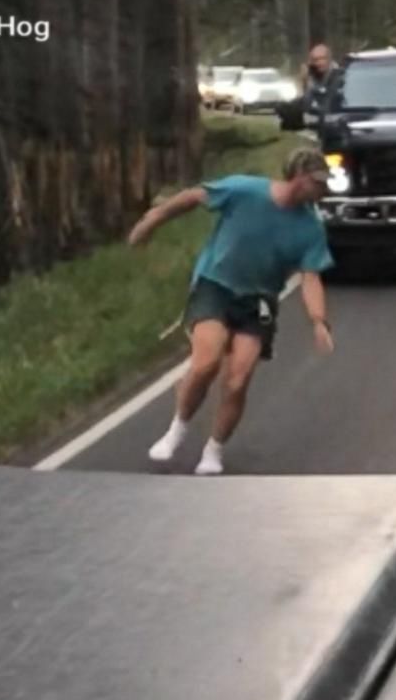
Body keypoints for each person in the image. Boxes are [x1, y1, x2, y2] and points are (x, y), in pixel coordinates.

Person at [127, 143, 337, 475]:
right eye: (318, 182)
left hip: (259, 300)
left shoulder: (310, 226)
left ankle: (214, 451)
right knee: (207, 362)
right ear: (298, 177)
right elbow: (195, 196)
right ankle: (177, 430)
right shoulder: (245, 191)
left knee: (238, 379)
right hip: (216, 284)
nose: (323, 190)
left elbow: (310, 276)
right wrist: (154, 218)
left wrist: (318, 321)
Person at [301, 43, 339, 116]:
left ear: (329, 59)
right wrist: (305, 81)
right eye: (315, 60)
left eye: (322, 58)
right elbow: (307, 104)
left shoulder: (338, 75)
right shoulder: (313, 75)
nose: (319, 63)